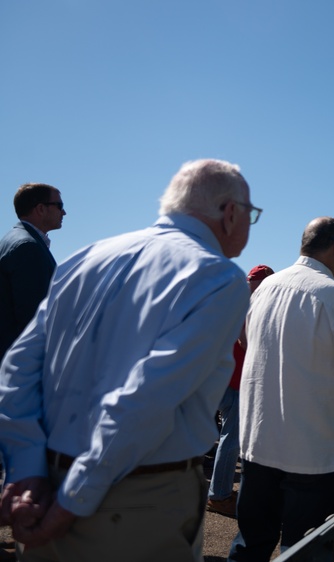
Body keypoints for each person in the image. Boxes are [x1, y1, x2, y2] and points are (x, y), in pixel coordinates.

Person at [0, 159, 256, 562]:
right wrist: (73, 499)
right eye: (250, 215)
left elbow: (17, 368)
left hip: (45, 484)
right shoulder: (218, 279)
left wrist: (28, 471)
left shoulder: (85, 258)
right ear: (229, 213)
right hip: (134, 500)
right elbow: (145, 399)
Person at [229, 217, 334, 561]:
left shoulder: (265, 290)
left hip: (259, 444)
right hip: (314, 452)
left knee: (250, 543)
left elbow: (246, 341)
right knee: (304, 548)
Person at [207, 264, 275, 517]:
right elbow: (245, 342)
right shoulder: (251, 304)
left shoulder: (233, 301)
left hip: (221, 378)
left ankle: (218, 490)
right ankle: (219, 495)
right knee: (232, 439)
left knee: (224, 437)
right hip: (235, 382)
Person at [0, 183, 64, 357]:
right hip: (20, 363)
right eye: (59, 206)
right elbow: (33, 318)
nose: (63, 213)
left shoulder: (15, 240)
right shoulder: (28, 247)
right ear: (41, 209)